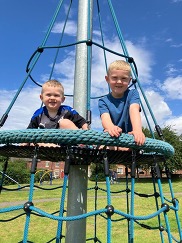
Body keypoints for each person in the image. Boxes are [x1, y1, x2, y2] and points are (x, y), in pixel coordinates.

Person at [98, 60, 145, 149]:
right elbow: (105, 117)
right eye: (114, 78)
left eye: (124, 78)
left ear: (129, 80)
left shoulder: (132, 94)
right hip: (112, 134)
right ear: (107, 79)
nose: (119, 81)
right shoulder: (103, 101)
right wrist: (111, 127)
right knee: (104, 146)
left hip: (129, 136)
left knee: (135, 143)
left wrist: (137, 130)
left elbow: (134, 110)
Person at [26, 79, 88, 146]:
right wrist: (23, 144)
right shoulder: (38, 114)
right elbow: (29, 131)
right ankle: (54, 148)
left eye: (56, 95)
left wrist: (86, 135)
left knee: (64, 122)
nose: (52, 98)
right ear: (41, 98)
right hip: (48, 144)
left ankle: (81, 143)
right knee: (35, 139)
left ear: (63, 99)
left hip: (67, 143)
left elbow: (82, 122)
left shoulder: (67, 111)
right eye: (48, 95)